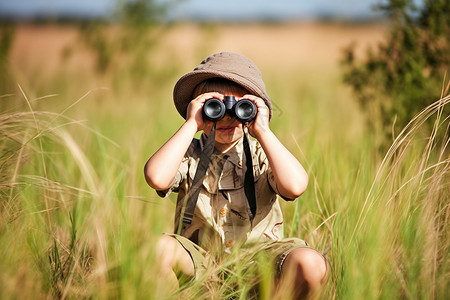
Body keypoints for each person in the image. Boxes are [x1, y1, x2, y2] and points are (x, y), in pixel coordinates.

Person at [144, 51, 327, 299]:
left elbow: (295, 186)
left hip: (259, 264)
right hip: (200, 263)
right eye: (214, 107)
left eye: (241, 106)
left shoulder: (265, 154)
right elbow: (156, 177)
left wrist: (263, 131)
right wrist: (191, 125)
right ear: (198, 109)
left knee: (310, 263)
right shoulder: (188, 154)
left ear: (254, 109)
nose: (228, 116)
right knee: (156, 250)